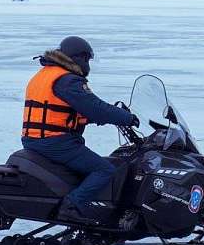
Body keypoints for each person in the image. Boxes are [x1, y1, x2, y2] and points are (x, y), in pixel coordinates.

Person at [21, 36, 138, 224]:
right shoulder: (67, 80)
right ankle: (71, 206)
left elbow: (65, 110)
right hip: (55, 141)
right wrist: (127, 118)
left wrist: (94, 118)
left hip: (35, 138)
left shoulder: (46, 74)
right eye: (87, 60)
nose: (88, 65)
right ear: (79, 58)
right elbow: (95, 107)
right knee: (104, 170)